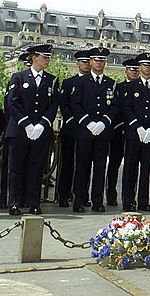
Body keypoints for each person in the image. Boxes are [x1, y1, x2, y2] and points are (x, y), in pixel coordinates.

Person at [5, 44, 61, 215]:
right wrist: (27, 124)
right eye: (45, 57)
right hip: (20, 131)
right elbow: (12, 102)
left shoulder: (51, 80)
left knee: (36, 168)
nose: (48, 60)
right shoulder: (19, 77)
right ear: (34, 57)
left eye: (48, 57)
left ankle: (34, 202)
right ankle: (14, 202)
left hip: (40, 132)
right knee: (16, 168)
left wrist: (42, 125)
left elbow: (53, 106)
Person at [71, 47, 118, 212]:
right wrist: (89, 123)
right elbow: (75, 105)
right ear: (90, 62)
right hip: (85, 131)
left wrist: (104, 122)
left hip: (103, 132)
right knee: (82, 167)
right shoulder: (81, 82)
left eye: (102, 60)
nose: (99, 63)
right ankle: (79, 199)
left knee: (100, 167)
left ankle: (97, 200)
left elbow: (114, 106)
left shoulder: (111, 83)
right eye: (96, 60)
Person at [122, 52, 150, 212]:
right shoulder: (131, 86)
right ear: (139, 67)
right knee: (130, 168)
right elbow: (127, 108)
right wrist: (137, 126)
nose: (148, 67)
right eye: (145, 65)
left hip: (149, 135)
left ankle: (143, 201)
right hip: (134, 133)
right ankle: (128, 200)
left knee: (146, 169)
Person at [56, 49, 91, 208]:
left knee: (84, 165)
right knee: (67, 164)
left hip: (88, 130)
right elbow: (64, 105)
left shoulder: (95, 83)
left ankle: (82, 195)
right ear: (77, 63)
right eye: (83, 62)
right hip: (71, 129)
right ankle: (63, 194)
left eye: (88, 61)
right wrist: (74, 121)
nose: (86, 64)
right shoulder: (69, 83)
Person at [0, 52, 31, 209]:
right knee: (11, 168)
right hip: (14, 129)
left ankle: (24, 198)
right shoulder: (17, 79)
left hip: (29, 130)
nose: (28, 68)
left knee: (28, 168)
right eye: (26, 65)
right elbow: (9, 107)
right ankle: (5, 199)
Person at [107, 58, 139, 207]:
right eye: (131, 69)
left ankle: (130, 197)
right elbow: (116, 109)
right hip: (118, 132)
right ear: (125, 70)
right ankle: (111, 194)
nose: (134, 72)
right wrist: (121, 126)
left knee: (132, 167)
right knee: (114, 164)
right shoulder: (118, 88)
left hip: (134, 133)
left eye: (136, 69)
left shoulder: (141, 88)